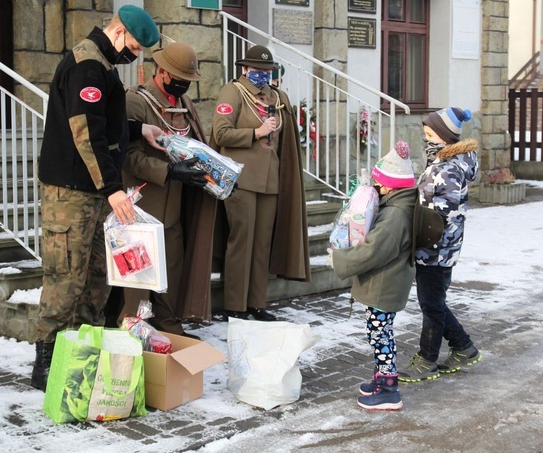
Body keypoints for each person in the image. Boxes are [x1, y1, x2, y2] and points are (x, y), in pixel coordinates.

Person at [31, 5, 161, 392]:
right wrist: (113, 188)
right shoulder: (87, 65)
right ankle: (47, 363)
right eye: (134, 47)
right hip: (71, 192)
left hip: (90, 192)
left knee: (95, 278)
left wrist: (139, 129)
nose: (134, 56)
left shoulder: (102, 65)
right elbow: (86, 131)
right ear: (118, 31)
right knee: (66, 278)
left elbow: (104, 121)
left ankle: (80, 355)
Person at [118, 42, 217, 336]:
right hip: (143, 204)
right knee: (139, 274)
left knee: (172, 267)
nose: (183, 85)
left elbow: (195, 143)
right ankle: (133, 329)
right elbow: (127, 156)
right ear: (161, 72)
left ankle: (168, 322)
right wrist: (169, 170)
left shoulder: (183, 103)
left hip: (175, 204)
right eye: (178, 78)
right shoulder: (136, 101)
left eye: (187, 81)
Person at [210, 45, 310, 321]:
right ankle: (235, 305)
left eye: (267, 71)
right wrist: (256, 132)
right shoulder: (232, 92)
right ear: (244, 69)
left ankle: (256, 303)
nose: (262, 76)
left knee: (261, 245)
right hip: (242, 181)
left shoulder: (276, 97)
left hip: (270, 182)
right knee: (241, 243)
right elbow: (220, 134)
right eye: (257, 71)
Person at [330, 141, 417, 411]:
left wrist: (340, 258)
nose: (376, 189)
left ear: (391, 185)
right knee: (376, 330)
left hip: (385, 283)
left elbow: (372, 251)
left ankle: (389, 388)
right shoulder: (397, 206)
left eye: (379, 185)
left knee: (380, 333)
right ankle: (382, 377)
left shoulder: (395, 216)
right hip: (386, 281)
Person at [399, 107, 481, 383]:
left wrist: (419, 235)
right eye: (425, 133)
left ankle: (427, 360)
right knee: (434, 302)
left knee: (432, 306)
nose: (426, 138)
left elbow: (442, 215)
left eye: (430, 133)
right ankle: (464, 347)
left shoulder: (447, 169)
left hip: (436, 250)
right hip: (435, 249)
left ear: (445, 137)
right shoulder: (442, 163)